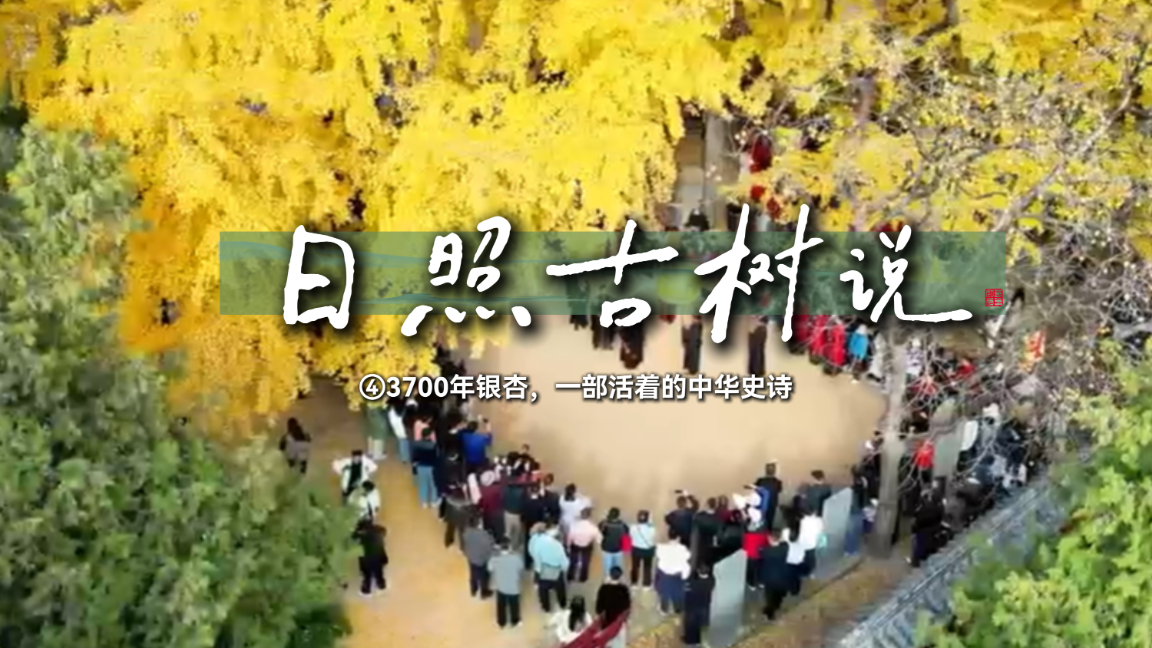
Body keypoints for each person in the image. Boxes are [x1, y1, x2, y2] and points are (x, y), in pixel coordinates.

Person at [529, 524, 570, 612]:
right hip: (556, 570)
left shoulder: (536, 541)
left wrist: (537, 574)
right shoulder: (558, 546)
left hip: (543, 570)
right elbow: (564, 563)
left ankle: (546, 607)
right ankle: (562, 604)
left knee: (543, 591)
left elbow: (536, 560)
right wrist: (564, 569)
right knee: (560, 589)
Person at [489, 539, 524, 628]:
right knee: (514, 605)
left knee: (501, 605)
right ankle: (515, 621)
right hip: (513, 586)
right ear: (509, 547)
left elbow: (489, 568)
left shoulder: (494, 559)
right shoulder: (516, 558)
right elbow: (520, 568)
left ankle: (501, 622)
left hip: (500, 586)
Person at [595, 566, 632, 648]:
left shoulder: (603, 588)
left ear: (609, 575)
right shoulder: (624, 589)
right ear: (621, 577)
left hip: (606, 620)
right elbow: (627, 606)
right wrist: (627, 619)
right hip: (619, 621)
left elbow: (599, 606)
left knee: (606, 641)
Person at [654, 536, 691, 615]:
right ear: (678, 538)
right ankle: (678, 610)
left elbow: (658, 555)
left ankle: (664, 610)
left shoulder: (662, 548)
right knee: (677, 595)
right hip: (677, 577)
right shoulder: (683, 549)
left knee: (664, 594)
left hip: (664, 575)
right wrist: (684, 577)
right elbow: (687, 558)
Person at [682, 564, 715, 647]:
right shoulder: (711, 580)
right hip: (704, 605)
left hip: (692, 605)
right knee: (698, 624)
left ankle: (690, 641)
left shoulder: (694, 581)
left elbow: (687, 589)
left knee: (690, 625)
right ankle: (697, 640)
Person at [759, 532, 790, 619]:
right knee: (778, 595)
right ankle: (776, 606)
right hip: (781, 576)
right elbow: (785, 543)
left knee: (769, 597)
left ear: (770, 540)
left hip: (769, 578)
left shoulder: (766, 551)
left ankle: (770, 612)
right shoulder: (785, 548)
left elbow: (760, 557)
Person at [353, 518, 388, 596]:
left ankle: (367, 590)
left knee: (367, 576)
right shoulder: (378, 530)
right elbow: (384, 531)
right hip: (378, 558)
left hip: (367, 560)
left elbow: (353, 538)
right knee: (378, 573)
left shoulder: (361, 536)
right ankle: (381, 585)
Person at [462, 515, 495, 598]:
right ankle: (484, 592)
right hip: (481, 560)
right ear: (479, 524)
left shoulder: (466, 532)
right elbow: (489, 548)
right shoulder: (484, 535)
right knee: (484, 576)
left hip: (471, 557)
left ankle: (473, 589)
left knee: (472, 573)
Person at [567, 507, 601, 583]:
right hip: (587, 546)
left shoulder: (574, 525)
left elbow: (570, 537)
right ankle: (583, 578)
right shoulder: (593, 527)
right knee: (585, 563)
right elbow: (599, 539)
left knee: (573, 562)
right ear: (589, 516)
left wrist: (568, 546)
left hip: (575, 545)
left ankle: (570, 576)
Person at [411, 429, 440, 508]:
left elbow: (414, 457)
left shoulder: (416, 444)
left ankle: (424, 502)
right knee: (433, 484)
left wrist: (414, 468)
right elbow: (437, 457)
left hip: (420, 466)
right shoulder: (434, 445)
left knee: (423, 485)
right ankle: (433, 501)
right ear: (429, 435)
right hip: (431, 466)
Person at [629, 510, 657, 588]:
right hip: (647, 550)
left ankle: (634, 583)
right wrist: (650, 522)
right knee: (647, 567)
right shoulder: (652, 529)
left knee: (635, 566)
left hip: (636, 549)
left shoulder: (633, 527)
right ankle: (646, 584)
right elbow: (653, 537)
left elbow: (630, 536)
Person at [599, 507, 630, 577]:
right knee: (617, 567)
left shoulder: (603, 524)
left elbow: (600, 533)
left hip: (606, 549)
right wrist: (626, 550)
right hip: (618, 549)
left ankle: (608, 579)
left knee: (607, 568)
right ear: (618, 515)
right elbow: (626, 537)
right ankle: (617, 579)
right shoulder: (623, 525)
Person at [691, 498, 722, 568]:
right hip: (712, 546)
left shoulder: (700, 516)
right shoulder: (718, 518)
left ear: (707, 505)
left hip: (701, 545)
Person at [754, 463, 783, 530]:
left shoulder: (760, 481)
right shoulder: (778, 482)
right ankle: (768, 533)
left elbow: (755, 489)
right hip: (771, 503)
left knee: (761, 521)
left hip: (762, 504)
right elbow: (779, 490)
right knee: (769, 521)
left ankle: (762, 533)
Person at [443, 483, 472, 549]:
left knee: (450, 528)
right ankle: (463, 547)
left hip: (452, 512)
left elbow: (447, 499)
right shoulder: (467, 494)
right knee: (462, 532)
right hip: (463, 514)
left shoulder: (450, 492)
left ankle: (448, 542)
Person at [386, 398, 411, 464]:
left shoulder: (391, 411)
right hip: (401, 429)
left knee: (400, 441)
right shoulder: (399, 412)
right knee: (403, 442)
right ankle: (404, 458)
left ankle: (400, 455)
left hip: (396, 428)